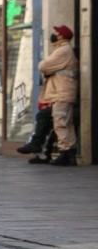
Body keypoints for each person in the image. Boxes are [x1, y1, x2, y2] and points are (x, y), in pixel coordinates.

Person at [38, 25, 79, 166]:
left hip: (62, 93)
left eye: (56, 32)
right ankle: (70, 155)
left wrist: (49, 69)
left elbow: (43, 66)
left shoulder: (62, 51)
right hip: (64, 93)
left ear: (62, 36)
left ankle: (65, 153)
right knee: (67, 123)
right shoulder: (65, 50)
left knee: (60, 123)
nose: (54, 34)